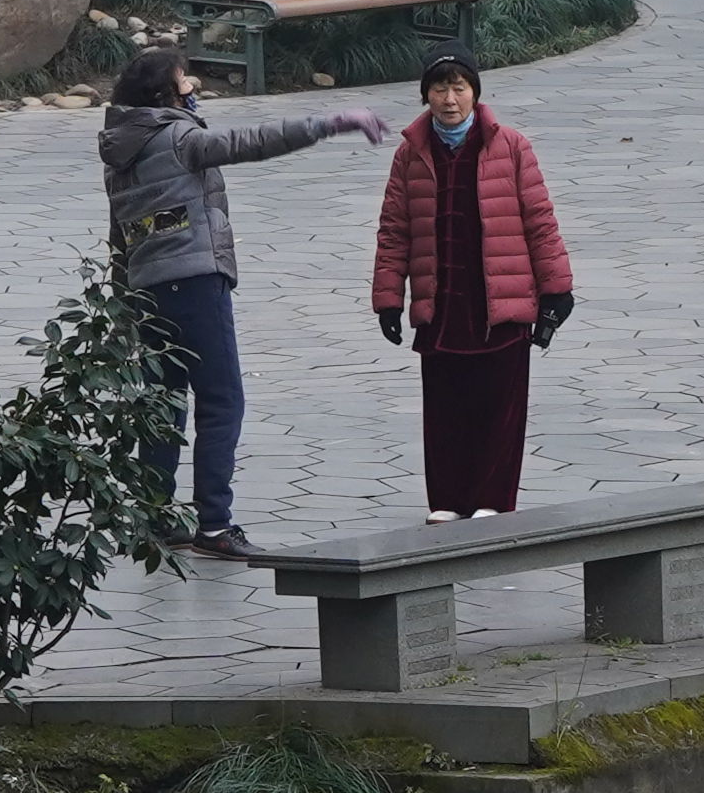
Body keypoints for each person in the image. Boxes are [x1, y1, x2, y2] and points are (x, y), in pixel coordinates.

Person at [103, 51, 387, 565]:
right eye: (181, 78)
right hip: (194, 281)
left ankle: (155, 516)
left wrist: (124, 299)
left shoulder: (121, 149)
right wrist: (329, 123)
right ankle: (214, 523)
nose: (191, 82)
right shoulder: (181, 138)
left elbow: (118, 234)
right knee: (221, 401)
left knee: (163, 404)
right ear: (167, 94)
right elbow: (250, 143)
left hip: (147, 289)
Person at [367, 50, 575, 520]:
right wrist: (388, 299)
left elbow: (539, 221)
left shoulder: (511, 146)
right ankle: (448, 501)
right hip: (442, 304)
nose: (449, 98)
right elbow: (394, 228)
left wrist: (556, 289)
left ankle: (491, 500)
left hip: (499, 302)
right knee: (445, 410)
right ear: (426, 95)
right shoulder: (411, 153)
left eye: (460, 87)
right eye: (440, 88)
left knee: (499, 409)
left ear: (476, 93)